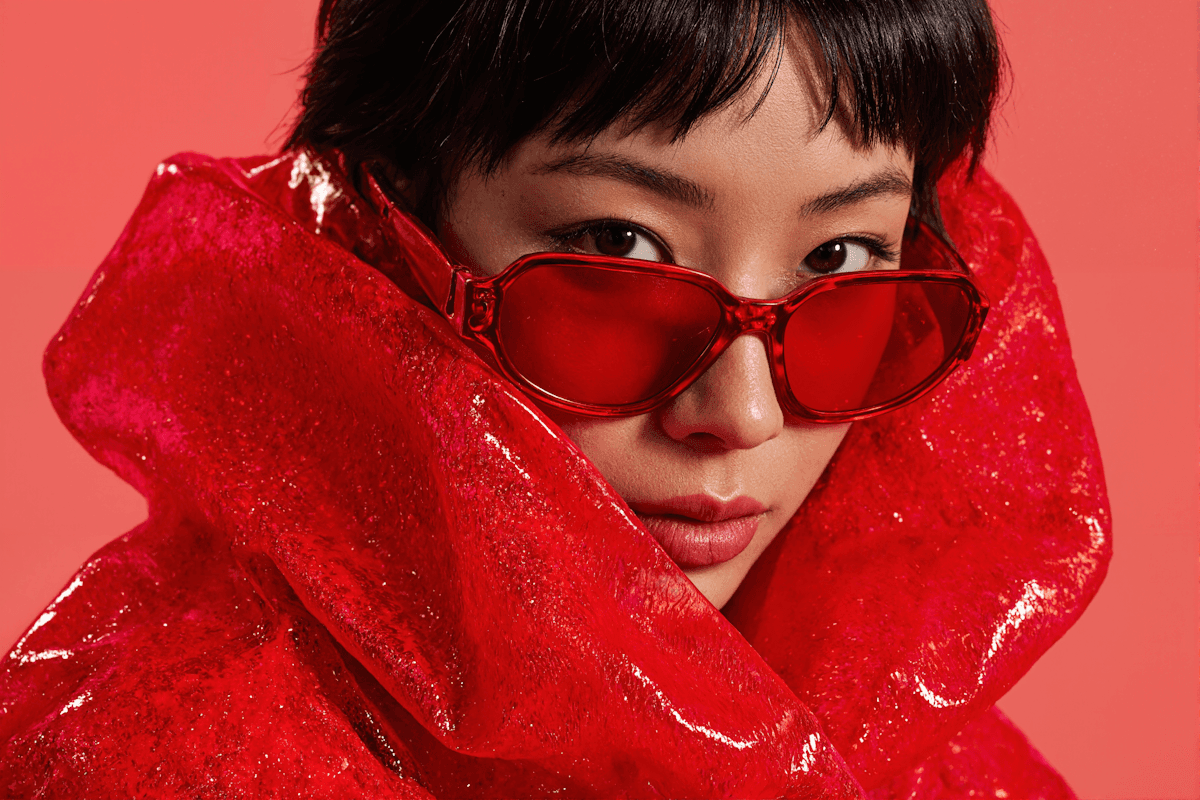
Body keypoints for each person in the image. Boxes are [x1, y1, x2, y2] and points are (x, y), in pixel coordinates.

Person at [0, 1, 1110, 797]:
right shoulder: (151, 759)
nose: (743, 414)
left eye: (842, 255)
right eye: (615, 246)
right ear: (380, 231)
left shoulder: (937, 769)